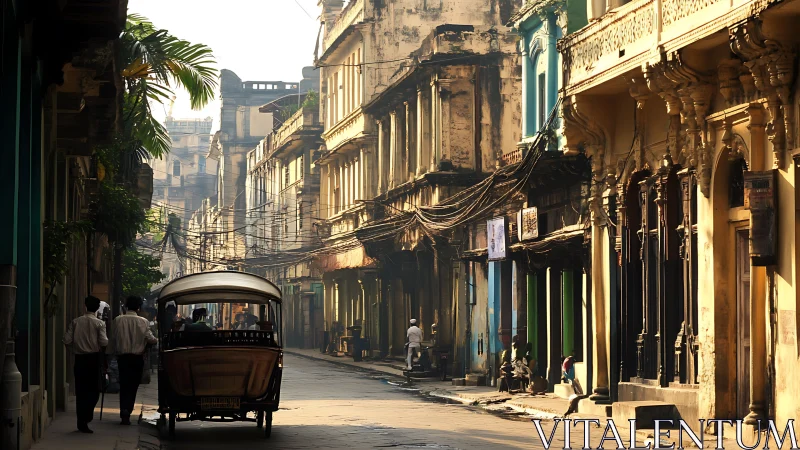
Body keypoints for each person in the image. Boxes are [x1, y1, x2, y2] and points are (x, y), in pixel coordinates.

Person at [63, 295, 108, 433]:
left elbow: (66, 340)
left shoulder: (76, 322)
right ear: (96, 308)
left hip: (80, 359)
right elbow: (104, 342)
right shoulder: (99, 323)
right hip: (93, 359)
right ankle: (86, 416)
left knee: (81, 391)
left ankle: (81, 420)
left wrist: (75, 350)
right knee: (94, 391)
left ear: (85, 306)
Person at [111, 296, 157, 425]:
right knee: (133, 386)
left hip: (122, 358)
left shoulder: (117, 320)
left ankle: (124, 411)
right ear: (138, 307)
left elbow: (112, 339)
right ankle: (128, 410)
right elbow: (151, 339)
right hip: (137, 359)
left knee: (124, 385)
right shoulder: (143, 321)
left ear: (126, 306)